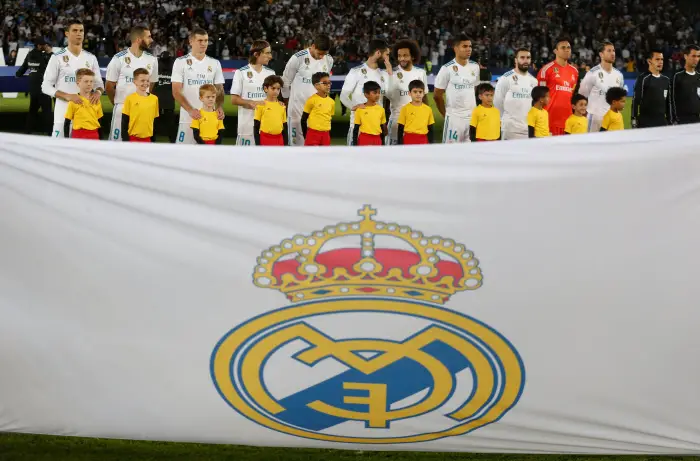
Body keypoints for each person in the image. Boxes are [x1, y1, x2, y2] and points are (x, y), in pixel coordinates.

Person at [41, 19, 104, 138]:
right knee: (60, 153)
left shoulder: (91, 58)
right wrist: (68, 96)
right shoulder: (57, 57)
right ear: (67, 33)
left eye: (81, 30)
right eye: (74, 30)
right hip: (63, 113)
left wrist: (98, 92)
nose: (79, 33)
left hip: (86, 117)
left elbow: (99, 83)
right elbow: (45, 86)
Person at [171, 28, 225, 144]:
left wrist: (219, 106)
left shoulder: (215, 63)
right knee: (183, 156)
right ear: (191, 41)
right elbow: (176, 91)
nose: (204, 44)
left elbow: (219, 89)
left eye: (206, 40)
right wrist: (190, 110)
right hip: (188, 118)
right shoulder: (180, 62)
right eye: (200, 40)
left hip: (209, 119)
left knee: (208, 157)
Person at [105, 26, 158, 142]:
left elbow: (152, 83)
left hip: (143, 110)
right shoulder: (119, 58)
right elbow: (109, 86)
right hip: (122, 107)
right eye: (148, 37)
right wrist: (117, 102)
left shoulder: (152, 59)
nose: (152, 40)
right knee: (116, 146)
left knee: (141, 146)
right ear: (138, 39)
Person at [281, 35, 334, 146]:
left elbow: (324, 83)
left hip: (316, 114)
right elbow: (285, 81)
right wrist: (286, 101)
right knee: (296, 148)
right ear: (313, 46)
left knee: (316, 151)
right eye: (319, 53)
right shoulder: (298, 58)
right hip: (297, 111)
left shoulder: (329, 60)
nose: (321, 57)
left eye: (324, 54)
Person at [340, 39, 392, 146]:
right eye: (386, 55)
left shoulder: (385, 74)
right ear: (378, 53)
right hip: (358, 128)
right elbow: (343, 96)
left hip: (377, 129)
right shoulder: (356, 72)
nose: (388, 58)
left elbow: (390, 95)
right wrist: (354, 107)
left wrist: (390, 73)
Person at [434, 35, 480, 143]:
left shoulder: (475, 67)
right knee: (451, 153)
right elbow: (437, 95)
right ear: (456, 48)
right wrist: (445, 114)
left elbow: (475, 89)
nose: (468, 49)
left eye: (470, 46)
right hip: (454, 118)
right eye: (464, 46)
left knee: (471, 151)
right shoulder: (446, 68)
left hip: (472, 117)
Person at [231, 40, 276, 146]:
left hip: (267, 126)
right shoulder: (241, 73)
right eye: (267, 53)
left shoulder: (271, 73)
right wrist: (252, 103)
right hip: (247, 127)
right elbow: (234, 99)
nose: (270, 56)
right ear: (256, 54)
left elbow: (274, 98)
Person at [385, 39, 428, 145]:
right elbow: (385, 99)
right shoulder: (392, 73)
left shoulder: (420, 73)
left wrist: (426, 119)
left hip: (416, 123)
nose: (402, 58)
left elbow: (425, 99)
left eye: (405, 55)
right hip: (396, 122)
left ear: (413, 56)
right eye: (399, 56)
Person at [577, 41, 624, 132]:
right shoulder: (592, 73)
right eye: (609, 51)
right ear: (601, 54)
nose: (612, 53)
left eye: (613, 51)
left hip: (612, 119)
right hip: (595, 118)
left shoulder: (619, 75)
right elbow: (582, 95)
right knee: (592, 145)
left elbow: (619, 99)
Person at [494, 48, 538, 140]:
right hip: (510, 130)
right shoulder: (506, 78)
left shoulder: (534, 81)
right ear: (515, 60)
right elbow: (497, 103)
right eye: (522, 57)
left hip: (528, 130)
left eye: (528, 58)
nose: (525, 60)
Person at [537, 38, 579, 135]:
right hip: (550, 120)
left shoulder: (574, 71)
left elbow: (571, 95)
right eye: (563, 47)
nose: (567, 50)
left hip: (568, 120)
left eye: (568, 47)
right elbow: (539, 98)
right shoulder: (546, 70)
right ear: (555, 51)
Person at [15, 37, 52, 135]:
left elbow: (23, 67)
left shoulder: (30, 54)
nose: (45, 46)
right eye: (44, 44)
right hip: (44, 88)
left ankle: (27, 132)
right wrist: (49, 53)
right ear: (39, 45)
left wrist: (18, 74)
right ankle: (50, 133)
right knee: (47, 112)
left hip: (33, 89)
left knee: (32, 112)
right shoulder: (44, 56)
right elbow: (52, 65)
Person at [631, 49, 671, 128]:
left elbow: (668, 103)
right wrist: (633, 120)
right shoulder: (643, 79)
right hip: (646, 123)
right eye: (657, 59)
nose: (660, 62)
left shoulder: (666, 80)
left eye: (662, 59)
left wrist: (670, 120)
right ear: (649, 61)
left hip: (662, 122)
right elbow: (635, 101)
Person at [121, 68, 159, 142]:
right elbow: (125, 121)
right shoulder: (130, 99)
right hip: (133, 139)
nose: (145, 83)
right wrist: (125, 140)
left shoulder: (154, 99)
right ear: (135, 82)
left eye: (147, 81)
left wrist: (153, 140)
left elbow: (154, 122)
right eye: (142, 80)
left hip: (148, 139)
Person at [63, 68, 103, 140]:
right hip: (78, 135)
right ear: (78, 83)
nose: (89, 84)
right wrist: (66, 140)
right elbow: (67, 123)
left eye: (91, 81)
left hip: (94, 135)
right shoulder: (73, 101)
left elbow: (100, 121)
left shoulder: (97, 101)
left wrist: (101, 139)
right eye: (86, 81)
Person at [301, 72, 335, 146]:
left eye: (329, 82)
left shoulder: (331, 102)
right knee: (311, 156)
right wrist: (306, 135)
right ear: (316, 86)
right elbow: (303, 119)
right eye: (325, 83)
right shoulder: (311, 100)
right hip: (313, 134)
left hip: (326, 135)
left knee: (325, 157)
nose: (328, 85)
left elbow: (329, 119)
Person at [397, 79, 435, 145]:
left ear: (423, 93)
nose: (418, 94)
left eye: (420, 92)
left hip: (423, 140)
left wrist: (431, 144)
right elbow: (400, 129)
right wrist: (400, 144)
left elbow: (430, 129)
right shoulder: (405, 109)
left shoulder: (428, 109)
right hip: (409, 139)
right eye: (415, 92)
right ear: (409, 93)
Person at [254, 75, 288, 146]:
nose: (276, 91)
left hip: (279, 139)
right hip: (265, 139)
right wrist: (258, 144)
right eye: (273, 88)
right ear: (266, 89)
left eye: (278, 89)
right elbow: (256, 127)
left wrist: (285, 143)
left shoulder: (282, 106)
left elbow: (285, 127)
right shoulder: (260, 105)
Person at [671, 44, 700, 124]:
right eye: (693, 56)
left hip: (697, 120)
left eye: (698, 56)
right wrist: (673, 119)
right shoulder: (677, 76)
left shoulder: (699, 76)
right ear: (686, 56)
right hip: (681, 121)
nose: (696, 59)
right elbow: (670, 100)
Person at [352, 81, 387, 146]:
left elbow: (382, 128)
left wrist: (383, 144)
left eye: (379, 93)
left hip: (377, 139)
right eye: (375, 93)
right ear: (366, 94)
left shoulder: (381, 110)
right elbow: (356, 130)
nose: (377, 95)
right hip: (364, 139)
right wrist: (355, 145)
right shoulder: (360, 110)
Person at [155, 52, 176, 143]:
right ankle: (173, 141)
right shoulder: (174, 69)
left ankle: (152, 141)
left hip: (157, 99)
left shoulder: (156, 67)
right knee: (170, 123)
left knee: (154, 122)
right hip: (169, 100)